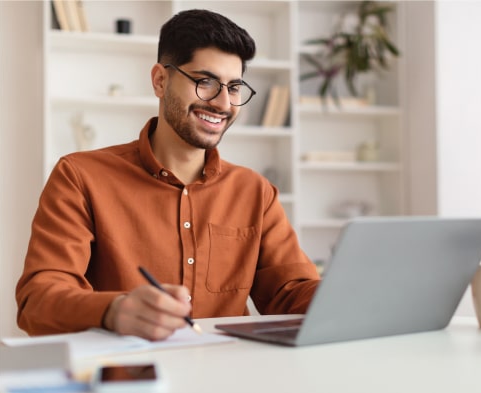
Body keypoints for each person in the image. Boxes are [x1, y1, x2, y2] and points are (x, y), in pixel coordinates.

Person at [16, 9, 320, 341]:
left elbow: (289, 292)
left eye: (234, 87)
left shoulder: (255, 192)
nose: (222, 102)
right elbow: (38, 300)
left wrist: (354, 295)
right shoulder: (79, 176)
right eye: (205, 82)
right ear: (160, 80)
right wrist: (114, 310)